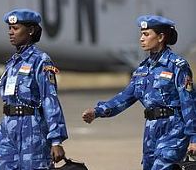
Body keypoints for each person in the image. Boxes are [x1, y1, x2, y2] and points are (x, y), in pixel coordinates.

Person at [82, 15, 196, 169]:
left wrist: (194, 138)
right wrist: (97, 112)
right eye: (141, 34)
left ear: (161, 37)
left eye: (146, 34)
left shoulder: (177, 65)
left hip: (174, 130)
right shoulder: (142, 70)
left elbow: (188, 103)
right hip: (151, 132)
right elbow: (124, 98)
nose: (141, 38)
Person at [0, 8, 68, 170]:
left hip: (32, 130)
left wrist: (56, 140)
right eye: (9, 29)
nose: (11, 33)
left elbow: (50, 99)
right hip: (8, 129)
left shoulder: (41, 61)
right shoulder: (12, 63)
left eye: (16, 28)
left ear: (31, 30)